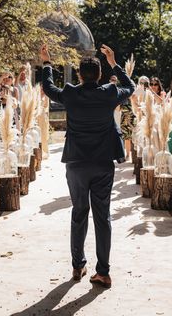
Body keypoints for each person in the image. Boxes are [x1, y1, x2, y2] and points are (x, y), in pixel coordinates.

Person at [41, 43, 135, 289]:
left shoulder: (71, 93)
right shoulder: (109, 92)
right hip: (103, 163)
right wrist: (114, 61)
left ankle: (77, 265)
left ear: (80, 75)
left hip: (76, 164)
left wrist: (48, 64)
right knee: (102, 217)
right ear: (100, 75)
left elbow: (48, 88)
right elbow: (131, 87)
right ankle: (102, 272)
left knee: (79, 213)